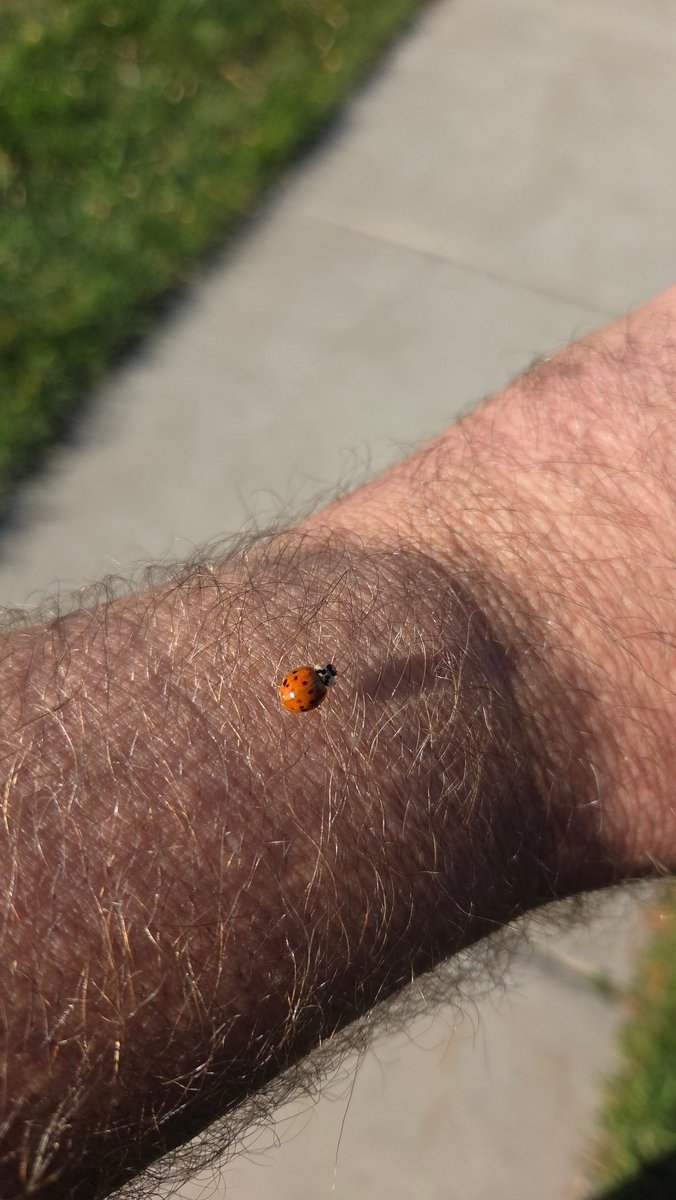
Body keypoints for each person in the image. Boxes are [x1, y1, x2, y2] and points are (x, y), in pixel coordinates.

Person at [0, 289, 673, 1200]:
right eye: (311, 677)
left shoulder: (310, 682)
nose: (309, 680)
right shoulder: (307, 684)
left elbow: (308, 688)